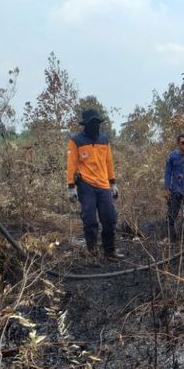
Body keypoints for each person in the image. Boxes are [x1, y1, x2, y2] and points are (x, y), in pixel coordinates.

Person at [66, 109, 120, 258]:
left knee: (109, 218)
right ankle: (92, 252)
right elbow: (71, 164)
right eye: (92, 123)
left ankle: (110, 251)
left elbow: (109, 162)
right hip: (85, 184)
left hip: (103, 185)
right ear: (85, 124)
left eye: (97, 122)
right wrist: (71, 186)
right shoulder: (76, 141)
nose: (94, 125)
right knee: (89, 219)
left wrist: (113, 183)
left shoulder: (104, 139)